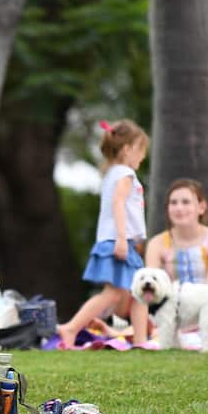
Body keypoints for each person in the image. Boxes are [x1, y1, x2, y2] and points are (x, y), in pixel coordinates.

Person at [56, 119, 150, 347]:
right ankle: (71, 328)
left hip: (120, 240)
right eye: (141, 151)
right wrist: (121, 239)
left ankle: (140, 341)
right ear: (128, 150)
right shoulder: (124, 174)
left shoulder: (112, 173)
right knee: (113, 294)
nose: (143, 157)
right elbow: (118, 204)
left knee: (137, 293)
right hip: (118, 241)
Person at [142, 178, 208, 286]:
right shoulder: (156, 243)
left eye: (186, 202)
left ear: (201, 207)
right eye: (173, 203)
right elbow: (151, 287)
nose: (179, 208)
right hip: (171, 302)